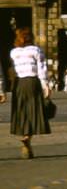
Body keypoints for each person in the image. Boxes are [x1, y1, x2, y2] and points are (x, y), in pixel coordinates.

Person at [7, 27, 51, 159]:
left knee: (21, 111)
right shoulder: (36, 50)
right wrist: (46, 86)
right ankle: (27, 138)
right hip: (33, 82)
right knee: (33, 111)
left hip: (19, 83)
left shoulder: (14, 52)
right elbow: (42, 69)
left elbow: (13, 69)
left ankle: (26, 143)